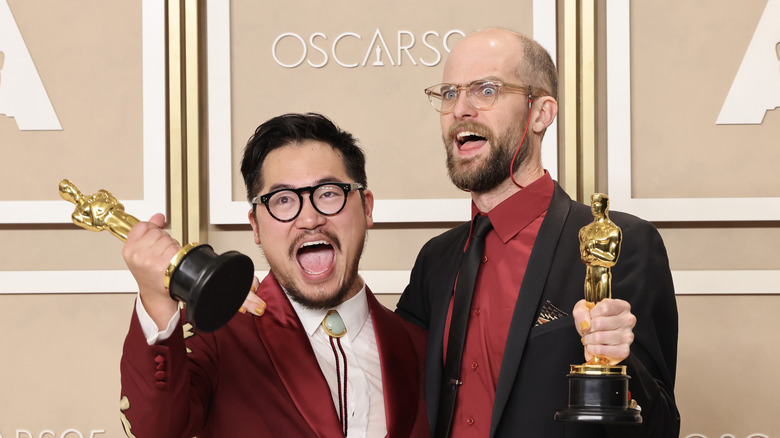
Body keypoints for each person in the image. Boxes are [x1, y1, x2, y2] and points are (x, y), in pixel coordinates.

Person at [395, 28, 679, 437]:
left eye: (486, 90)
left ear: (541, 113)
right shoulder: (435, 259)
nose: (460, 109)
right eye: (449, 93)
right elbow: (384, 365)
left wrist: (619, 361)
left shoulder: (620, 242)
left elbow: (662, 425)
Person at [119, 113, 429, 437]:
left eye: (328, 193)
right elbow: (158, 430)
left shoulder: (422, 347)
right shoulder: (216, 337)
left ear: (366, 208)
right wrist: (156, 301)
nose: (309, 219)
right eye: (283, 200)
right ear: (255, 225)